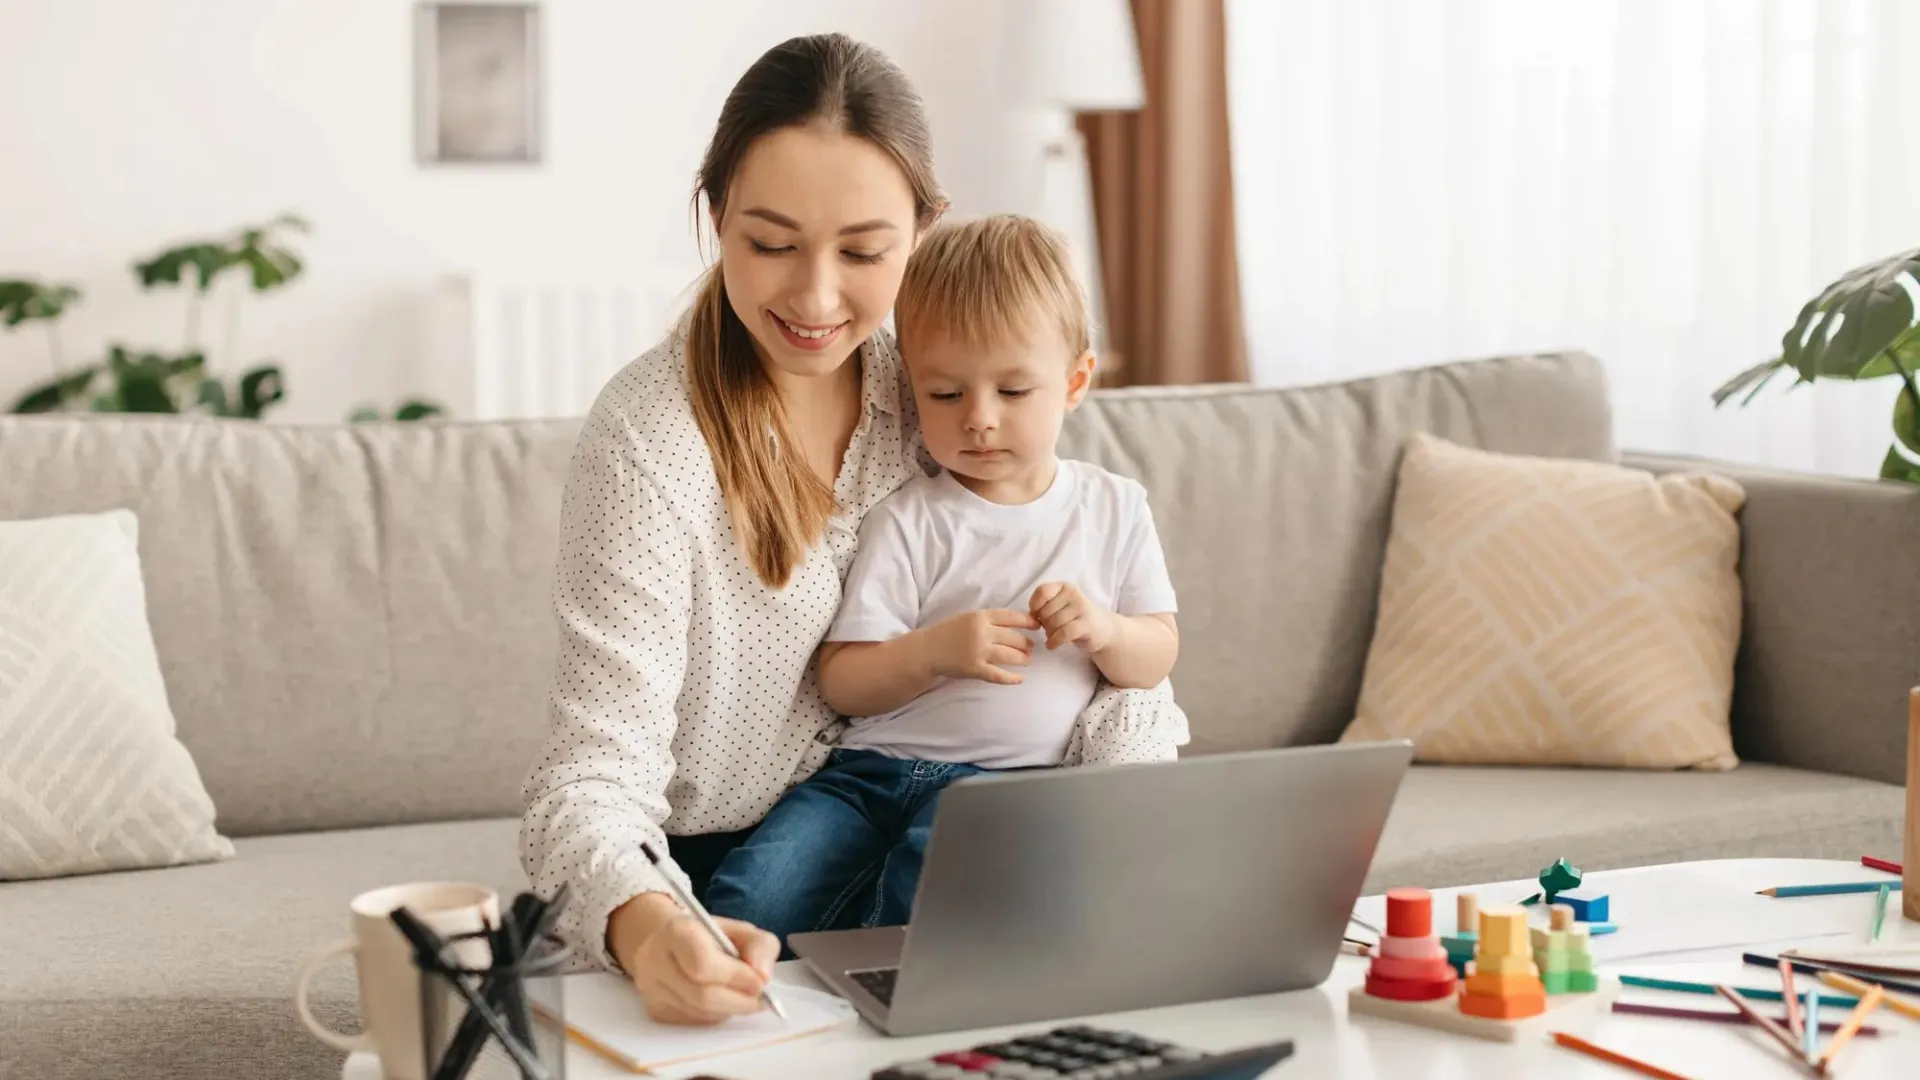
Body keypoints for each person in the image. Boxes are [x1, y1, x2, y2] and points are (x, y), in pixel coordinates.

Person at [518, 33, 1189, 1028]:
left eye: (866, 251)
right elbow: (591, 774)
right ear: (714, 216)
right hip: (721, 879)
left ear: (921, 233)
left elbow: (1123, 666)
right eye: (772, 243)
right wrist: (644, 919)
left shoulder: (939, 394)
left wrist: (1101, 818)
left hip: (980, 829)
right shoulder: (651, 442)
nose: (817, 297)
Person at [700, 215, 1181, 944]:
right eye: (946, 395)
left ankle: (869, 997)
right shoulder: (910, 517)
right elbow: (844, 682)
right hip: (869, 775)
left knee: (930, 889)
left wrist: (1106, 631)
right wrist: (934, 653)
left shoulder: (1112, 508)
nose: (979, 421)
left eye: (1014, 392)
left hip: (1006, 790)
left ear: (1075, 381)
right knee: (752, 891)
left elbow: (1158, 653)